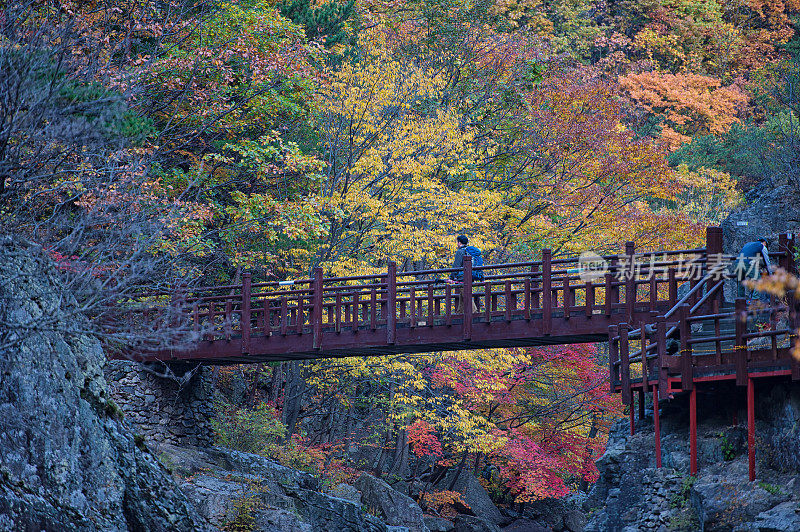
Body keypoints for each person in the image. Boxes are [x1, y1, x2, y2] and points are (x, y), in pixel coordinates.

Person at [446, 235, 484, 312]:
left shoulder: (460, 251)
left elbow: (456, 266)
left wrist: (451, 278)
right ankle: (459, 312)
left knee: (466, 294)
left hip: (463, 277)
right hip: (472, 276)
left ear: (459, 242)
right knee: (462, 294)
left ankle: (474, 312)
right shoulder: (470, 251)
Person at [735, 237, 773, 302]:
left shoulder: (748, 244)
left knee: (741, 282)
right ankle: (754, 301)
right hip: (747, 264)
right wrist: (770, 273)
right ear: (764, 242)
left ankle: (740, 302)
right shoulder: (762, 246)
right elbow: (767, 261)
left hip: (737, 263)